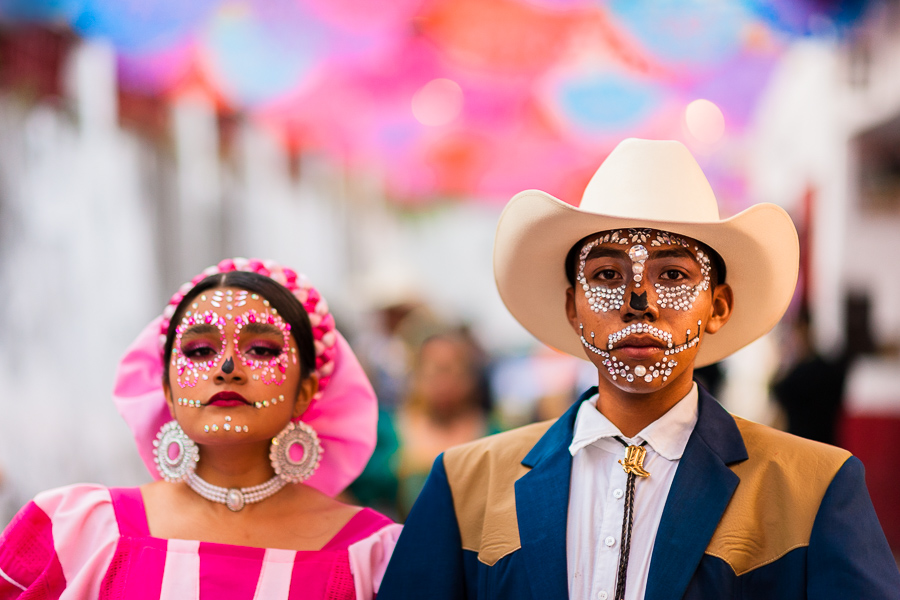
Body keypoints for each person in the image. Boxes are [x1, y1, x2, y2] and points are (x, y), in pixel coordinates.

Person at [378, 139, 900, 599]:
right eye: (606, 273)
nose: (638, 301)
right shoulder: (466, 483)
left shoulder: (812, 486)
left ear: (717, 307)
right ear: (572, 307)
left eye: (672, 273)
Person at [0, 258, 400, 599]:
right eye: (199, 351)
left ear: (306, 391)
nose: (227, 368)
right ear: (167, 390)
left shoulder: (376, 557)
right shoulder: (74, 533)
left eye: (261, 350)